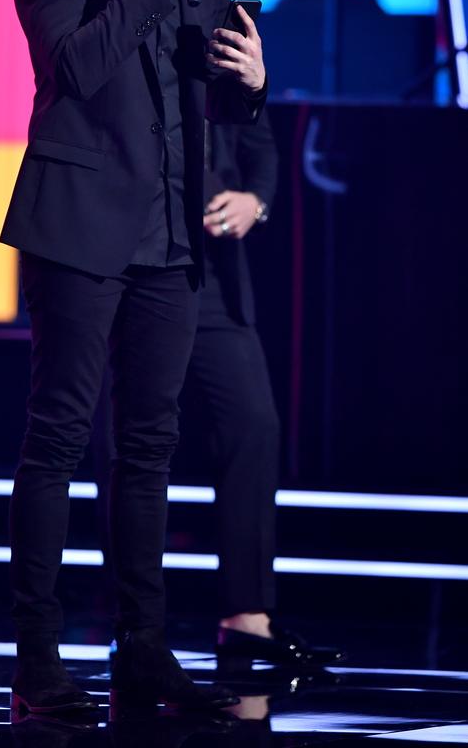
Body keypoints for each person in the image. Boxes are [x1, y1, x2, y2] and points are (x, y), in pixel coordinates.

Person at [0, 0, 267, 716]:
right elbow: (72, 70)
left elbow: (216, 103)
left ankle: (142, 649)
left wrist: (254, 83)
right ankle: (38, 660)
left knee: (149, 447)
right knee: (58, 441)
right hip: (78, 226)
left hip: (168, 236)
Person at [188, 116, 344, 670]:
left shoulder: (236, 30)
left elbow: (258, 142)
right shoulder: (126, 23)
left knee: (254, 424)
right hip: (132, 256)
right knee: (132, 439)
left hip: (215, 272)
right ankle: (132, 625)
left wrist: (255, 200)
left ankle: (246, 616)